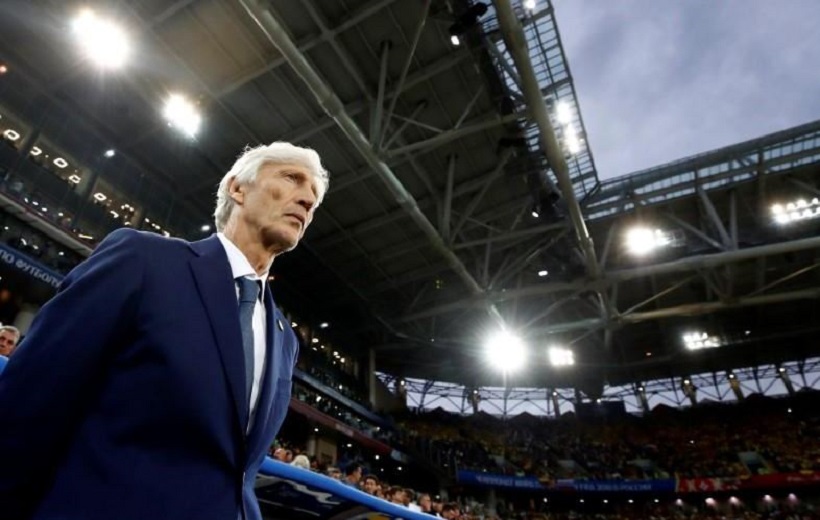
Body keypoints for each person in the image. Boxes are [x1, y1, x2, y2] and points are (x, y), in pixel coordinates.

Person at [0, 142, 329, 520]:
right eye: (292, 178)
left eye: (314, 197)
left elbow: (239, 473)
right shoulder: (143, 260)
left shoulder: (285, 339)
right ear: (237, 188)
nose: (307, 200)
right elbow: (31, 402)